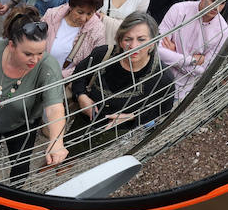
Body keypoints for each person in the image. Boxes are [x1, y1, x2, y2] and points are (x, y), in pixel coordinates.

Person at [0, 7, 68, 183]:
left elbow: (54, 107)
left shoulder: (48, 67)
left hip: (23, 123)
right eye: (28, 53)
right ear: (11, 45)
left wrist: (57, 141)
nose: (35, 60)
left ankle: (16, 189)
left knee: (20, 163)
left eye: (40, 52)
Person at [70, 13, 176, 147]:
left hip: (118, 139)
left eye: (141, 39)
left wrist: (134, 117)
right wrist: (81, 96)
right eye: (128, 39)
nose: (133, 46)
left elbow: (163, 109)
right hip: (83, 123)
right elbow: (79, 73)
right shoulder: (103, 55)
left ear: (153, 42)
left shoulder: (162, 77)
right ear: (120, 40)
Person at [157, 0, 228, 100]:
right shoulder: (179, 9)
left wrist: (173, 53)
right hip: (157, 77)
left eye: (222, 3)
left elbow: (204, 70)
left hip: (181, 91)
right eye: (213, 0)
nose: (217, 7)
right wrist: (192, 60)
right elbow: (157, 50)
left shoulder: (223, 31)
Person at [40, 0, 107, 78]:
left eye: (89, 13)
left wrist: (60, 77)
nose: (84, 18)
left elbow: (91, 65)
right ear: (71, 6)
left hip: (65, 82)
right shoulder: (51, 15)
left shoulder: (98, 31)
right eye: (80, 12)